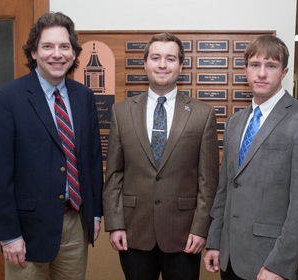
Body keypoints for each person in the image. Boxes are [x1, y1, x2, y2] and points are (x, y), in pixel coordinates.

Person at [0, 12, 103, 280]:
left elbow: (92, 160)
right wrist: (8, 234)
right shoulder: (6, 99)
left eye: (64, 46)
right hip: (27, 229)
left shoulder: (84, 97)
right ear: (34, 52)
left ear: (73, 53)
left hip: (76, 222)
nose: (57, 54)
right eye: (47, 46)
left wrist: (95, 215)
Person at [203, 35, 298, 280]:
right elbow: (225, 189)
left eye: (271, 66)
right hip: (230, 256)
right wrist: (215, 241)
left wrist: (281, 264)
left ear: (283, 72)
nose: (262, 73)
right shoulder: (235, 122)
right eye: (255, 65)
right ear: (245, 70)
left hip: (271, 259)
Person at [103, 32, 219, 280]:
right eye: (155, 57)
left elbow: (208, 181)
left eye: (170, 58)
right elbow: (114, 174)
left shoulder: (202, 114)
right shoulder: (121, 112)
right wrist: (115, 223)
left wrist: (201, 229)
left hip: (184, 235)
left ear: (181, 66)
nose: (163, 65)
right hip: (134, 231)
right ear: (145, 64)